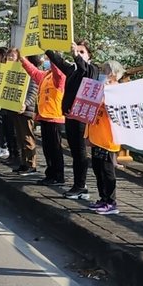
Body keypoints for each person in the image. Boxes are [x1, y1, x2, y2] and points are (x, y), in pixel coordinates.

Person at [46, 41, 99, 201]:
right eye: (78, 51)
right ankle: (78, 184)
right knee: (75, 152)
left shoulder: (92, 69)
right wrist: (47, 48)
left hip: (81, 118)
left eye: (83, 52)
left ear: (89, 55)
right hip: (70, 116)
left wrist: (76, 55)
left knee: (80, 152)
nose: (79, 54)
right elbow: (60, 62)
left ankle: (80, 185)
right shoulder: (73, 70)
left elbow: (84, 70)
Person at [86, 61, 126, 216]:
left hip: (108, 138)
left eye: (106, 71)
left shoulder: (117, 91)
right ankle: (103, 198)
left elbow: (115, 112)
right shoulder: (101, 87)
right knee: (98, 169)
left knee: (107, 170)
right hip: (97, 135)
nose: (103, 73)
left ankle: (111, 202)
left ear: (114, 74)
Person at [19, 52, 66, 185]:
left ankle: (58, 176)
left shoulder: (60, 76)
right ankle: (50, 174)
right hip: (45, 117)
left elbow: (57, 71)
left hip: (55, 118)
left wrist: (52, 56)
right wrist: (23, 59)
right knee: (48, 150)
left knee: (55, 150)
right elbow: (33, 72)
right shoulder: (46, 75)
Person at [7, 49, 39, 175]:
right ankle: (24, 163)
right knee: (20, 137)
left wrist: (25, 104)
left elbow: (33, 92)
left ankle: (31, 165)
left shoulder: (33, 73)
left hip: (26, 110)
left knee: (27, 137)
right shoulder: (18, 71)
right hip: (17, 109)